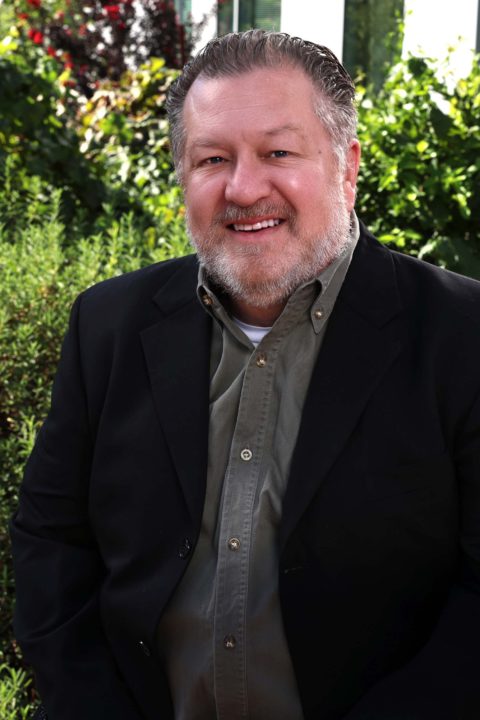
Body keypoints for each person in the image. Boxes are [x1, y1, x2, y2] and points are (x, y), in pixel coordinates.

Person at [10, 29, 480, 720]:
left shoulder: (462, 336)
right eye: (212, 159)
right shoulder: (107, 326)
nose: (243, 187)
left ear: (347, 167)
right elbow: (52, 543)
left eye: (278, 153)